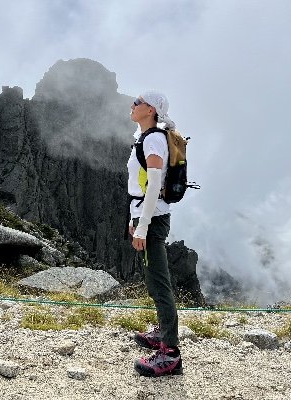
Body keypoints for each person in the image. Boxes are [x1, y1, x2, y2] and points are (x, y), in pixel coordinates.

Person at [127, 90, 182, 377]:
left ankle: (170, 353)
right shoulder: (145, 138)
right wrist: (134, 219)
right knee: (152, 276)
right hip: (145, 215)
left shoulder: (154, 140)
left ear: (150, 110)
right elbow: (139, 184)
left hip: (154, 219)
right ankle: (162, 333)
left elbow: (153, 185)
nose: (132, 105)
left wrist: (144, 225)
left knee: (159, 281)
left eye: (138, 102)